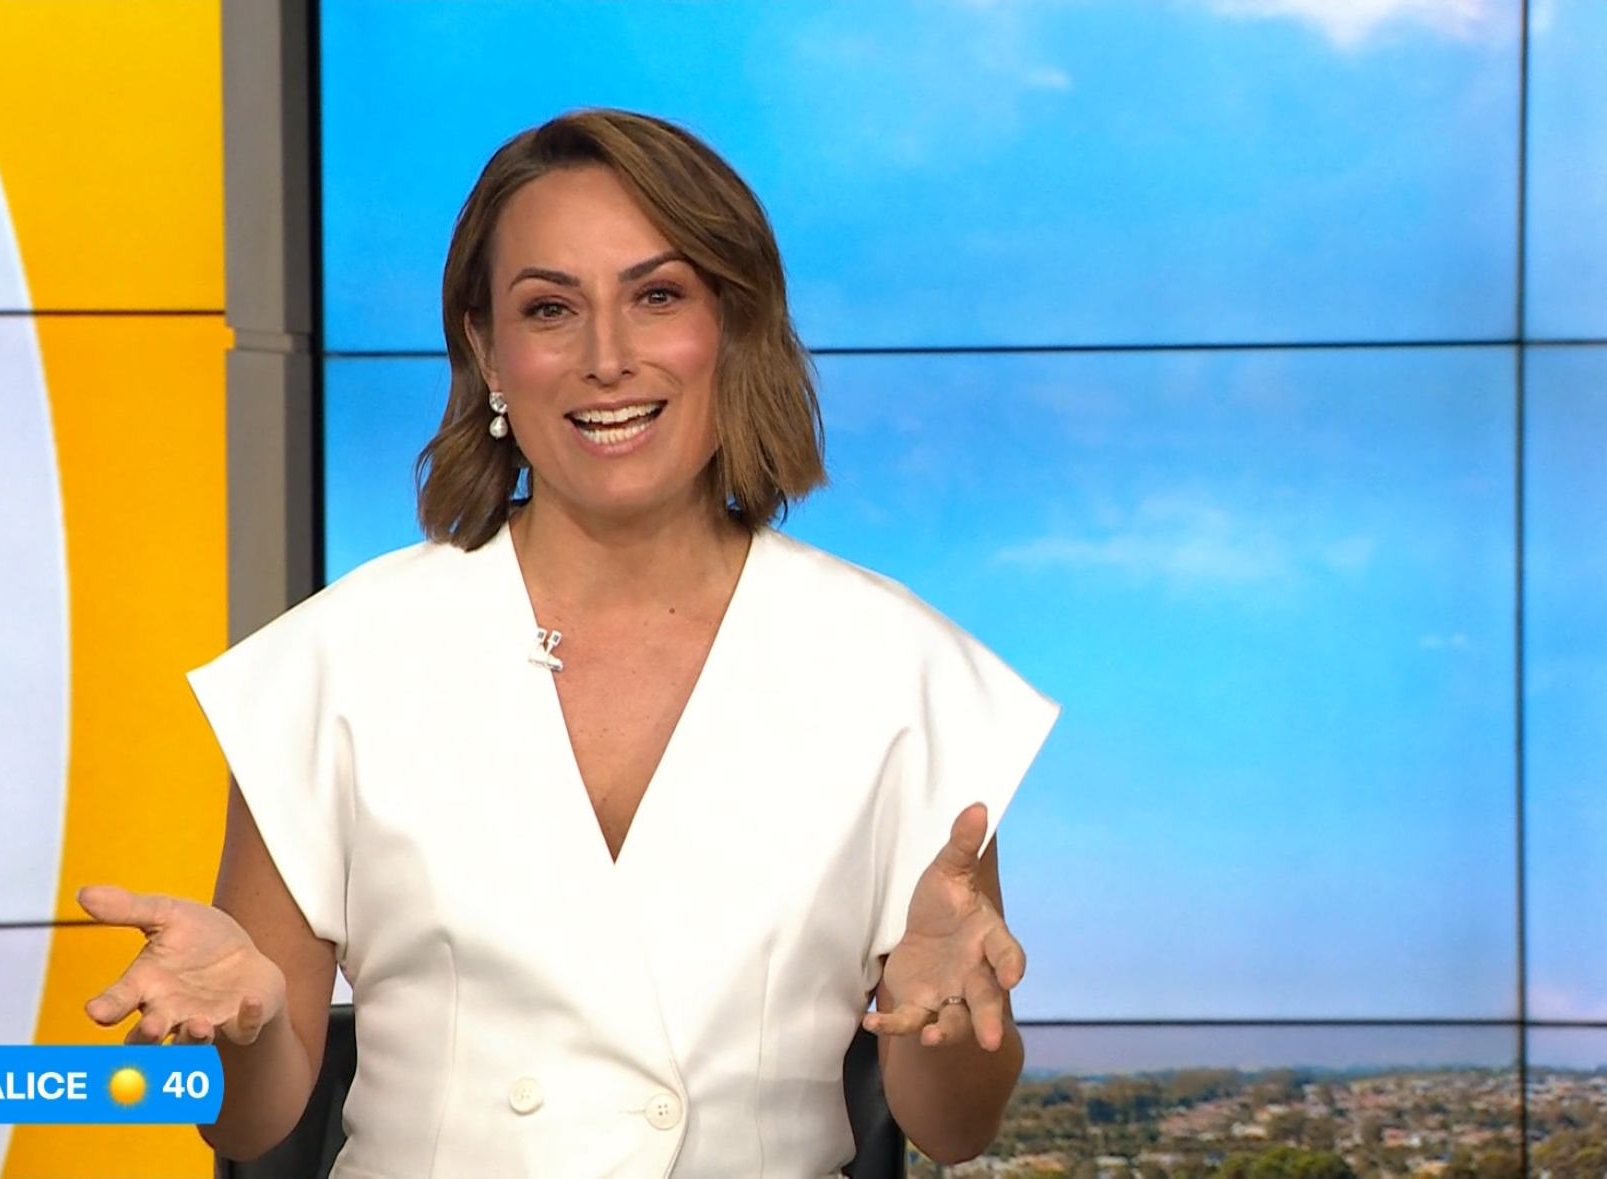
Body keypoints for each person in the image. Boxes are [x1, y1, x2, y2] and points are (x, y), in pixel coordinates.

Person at [77, 109, 1058, 1177]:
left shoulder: (897, 671)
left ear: (733, 327)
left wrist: (947, 1027)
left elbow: (953, 1128)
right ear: (486, 351)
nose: (606, 358)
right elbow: (248, 1121)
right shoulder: (334, 662)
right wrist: (240, 1030)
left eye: (657, 297)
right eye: (550, 309)